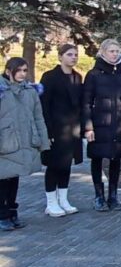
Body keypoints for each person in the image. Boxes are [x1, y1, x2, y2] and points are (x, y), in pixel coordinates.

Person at [82, 39, 121, 212]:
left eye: (117, 51)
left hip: (118, 125)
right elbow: (86, 102)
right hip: (98, 125)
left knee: (115, 159)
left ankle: (113, 196)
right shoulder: (93, 75)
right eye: (111, 51)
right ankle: (99, 196)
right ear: (102, 52)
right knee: (97, 159)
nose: (114, 54)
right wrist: (88, 127)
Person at [0, 58, 49, 231]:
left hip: (23, 140)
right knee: (3, 179)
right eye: (18, 70)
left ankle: (12, 211)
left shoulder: (30, 91)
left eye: (24, 70)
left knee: (15, 177)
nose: (22, 73)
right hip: (5, 141)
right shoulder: (1, 91)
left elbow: (38, 117)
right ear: (8, 71)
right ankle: (3, 214)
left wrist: (43, 141)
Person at [39, 44, 83, 217]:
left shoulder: (77, 77)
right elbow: (44, 106)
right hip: (55, 129)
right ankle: (51, 202)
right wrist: (47, 132)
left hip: (72, 130)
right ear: (60, 57)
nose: (73, 57)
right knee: (53, 165)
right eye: (69, 54)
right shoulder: (49, 77)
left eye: (75, 54)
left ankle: (63, 199)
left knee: (66, 165)